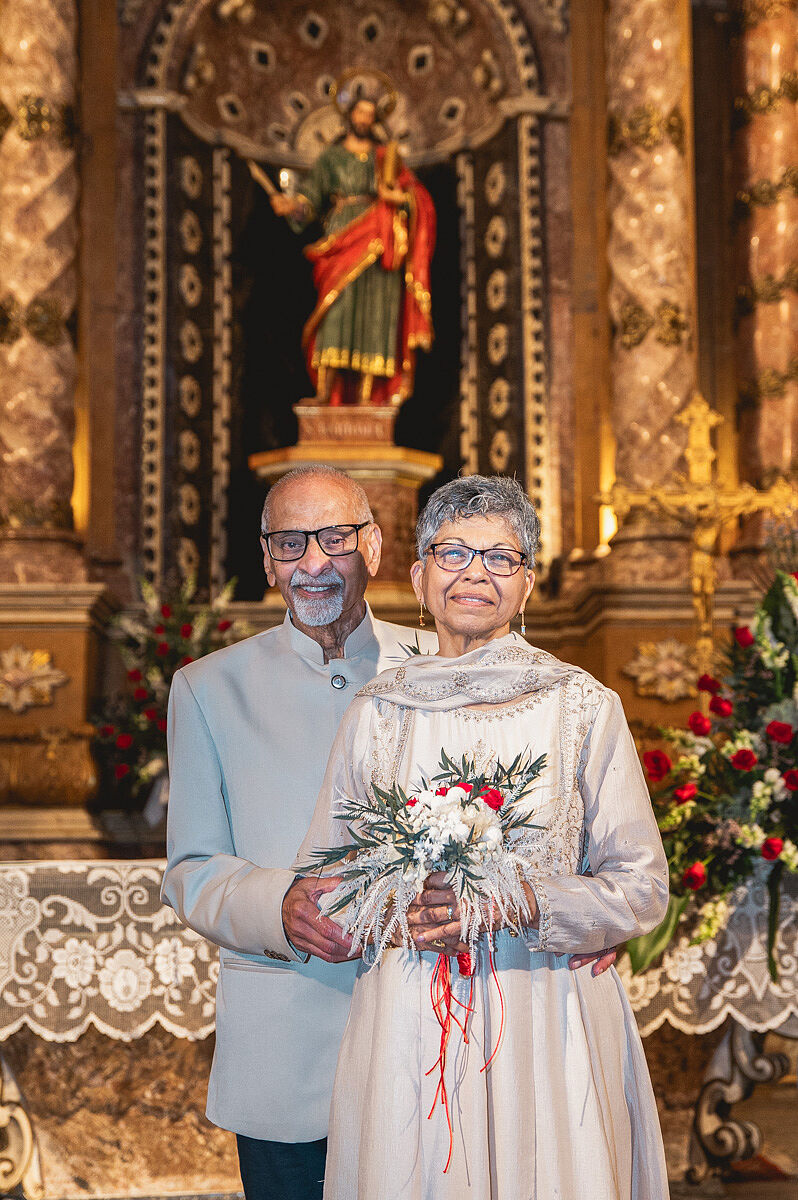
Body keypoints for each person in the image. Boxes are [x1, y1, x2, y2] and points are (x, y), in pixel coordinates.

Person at [162, 465, 616, 1200]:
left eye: (335, 537)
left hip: (439, 1040)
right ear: (267, 558)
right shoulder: (208, 687)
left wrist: (583, 914)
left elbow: (556, 820)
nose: (313, 562)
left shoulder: (453, 656)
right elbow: (190, 867)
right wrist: (276, 906)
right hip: (289, 1039)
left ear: (374, 548)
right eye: (289, 542)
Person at [294, 474, 670, 1199]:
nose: (474, 573)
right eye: (453, 552)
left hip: (545, 1008)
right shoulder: (378, 711)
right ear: (418, 574)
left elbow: (641, 888)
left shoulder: (582, 706)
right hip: (408, 1012)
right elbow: (324, 882)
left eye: (501, 558)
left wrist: (520, 901)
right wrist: (388, 907)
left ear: (528, 584)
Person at [268, 85, 435, 407]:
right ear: (349, 116)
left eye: (370, 115)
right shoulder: (332, 157)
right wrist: (293, 207)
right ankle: (324, 392)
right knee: (336, 311)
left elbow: (415, 196)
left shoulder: (385, 157)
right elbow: (311, 197)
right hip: (343, 233)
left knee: (376, 314)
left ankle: (366, 399)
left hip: (380, 237)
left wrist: (399, 198)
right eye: (359, 112)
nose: (364, 119)